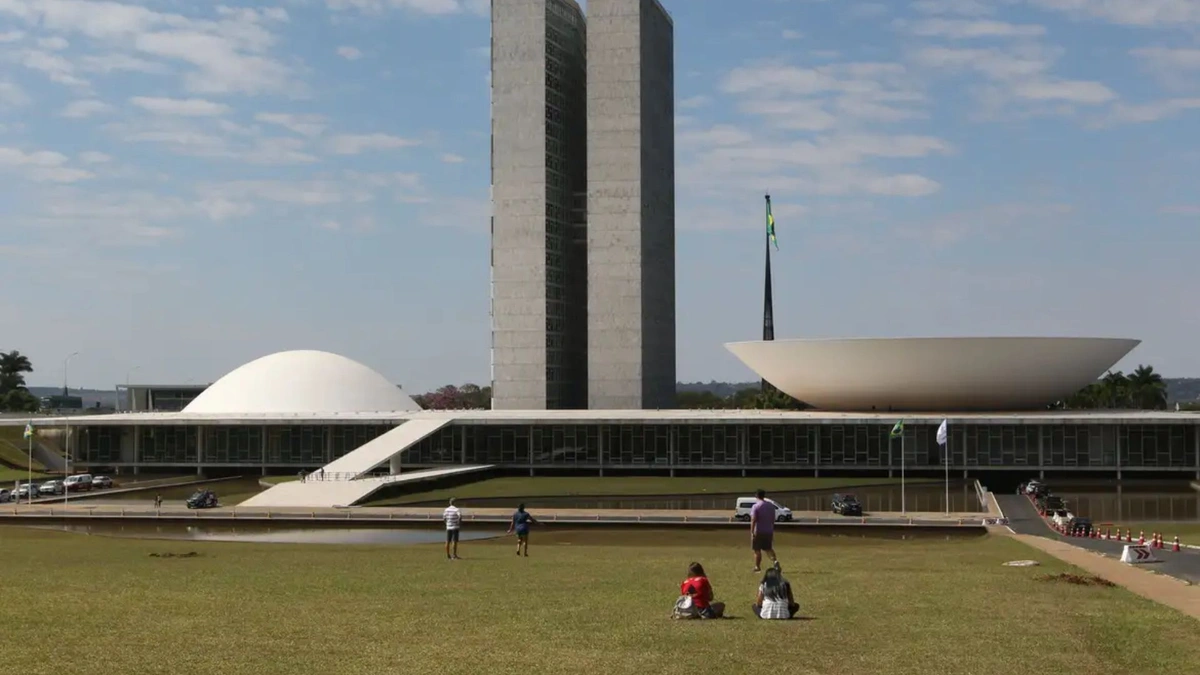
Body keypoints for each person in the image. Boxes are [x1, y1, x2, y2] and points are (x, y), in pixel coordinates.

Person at [750, 489, 778, 572]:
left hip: (758, 531)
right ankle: (775, 562)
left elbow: (753, 520)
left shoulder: (756, 506)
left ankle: (757, 566)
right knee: (768, 548)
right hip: (768, 531)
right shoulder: (770, 506)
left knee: (757, 549)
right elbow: (773, 519)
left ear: (756, 495)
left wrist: (752, 531)